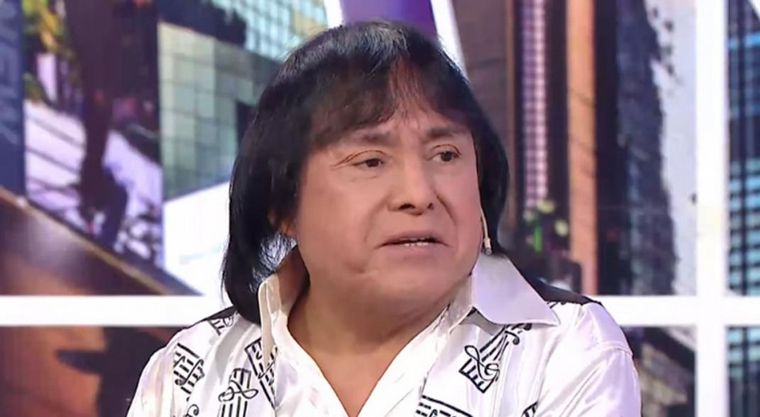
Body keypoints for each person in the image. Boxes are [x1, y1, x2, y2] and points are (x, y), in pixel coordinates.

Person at [126, 21, 641, 417]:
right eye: (371, 161)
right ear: (281, 205)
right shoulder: (192, 374)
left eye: (445, 155)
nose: (419, 195)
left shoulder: (565, 352)